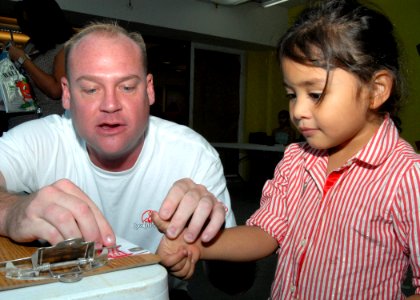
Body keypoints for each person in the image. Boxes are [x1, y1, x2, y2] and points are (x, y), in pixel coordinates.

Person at [153, 0, 420, 299]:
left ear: (376, 90)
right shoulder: (296, 160)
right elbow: (267, 232)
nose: (299, 111)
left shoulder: (408, 177)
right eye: (292, 94)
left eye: (316, 93)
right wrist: (197, 246)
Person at [0, 22, 236, 299]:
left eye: (126, 87)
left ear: (149, 90)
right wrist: (11, 211)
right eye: (90, 89)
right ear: (66, 93)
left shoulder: (194, 154)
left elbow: (232, 284)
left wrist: (207, 240)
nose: (110, 104)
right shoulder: (40, 140)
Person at [5, 0, 74, 128]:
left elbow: (56, 90)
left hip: (45, 125)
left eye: (29, 21)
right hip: (19, 122)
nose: (24, 27)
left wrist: (23, 59)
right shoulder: (30, 46)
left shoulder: (64, 48)